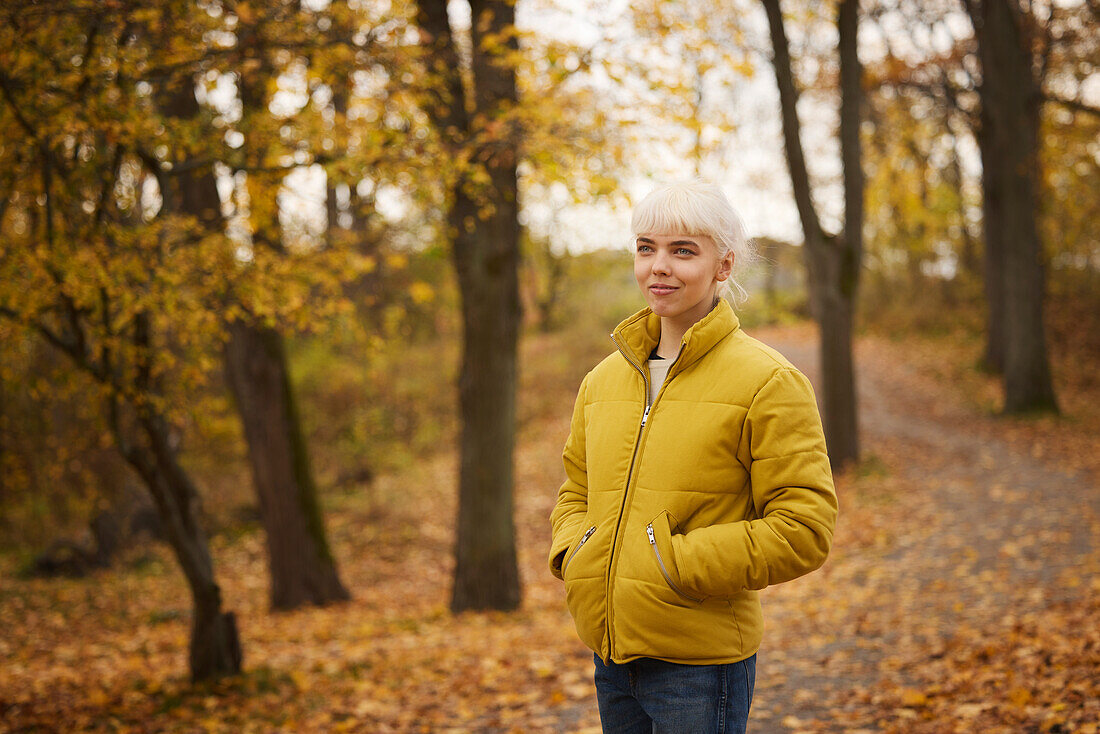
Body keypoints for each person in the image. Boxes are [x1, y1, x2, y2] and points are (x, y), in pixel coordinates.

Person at [548, 180, 839, 733]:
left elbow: (804, 528)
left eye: (683, 251)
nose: (659, 266)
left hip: (701, 667)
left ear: (722, 266)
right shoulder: (603, 379)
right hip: (611, 655)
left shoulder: (769, 381)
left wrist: (672, 564)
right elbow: (576, 491)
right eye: (646, 247)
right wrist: (575, 552)